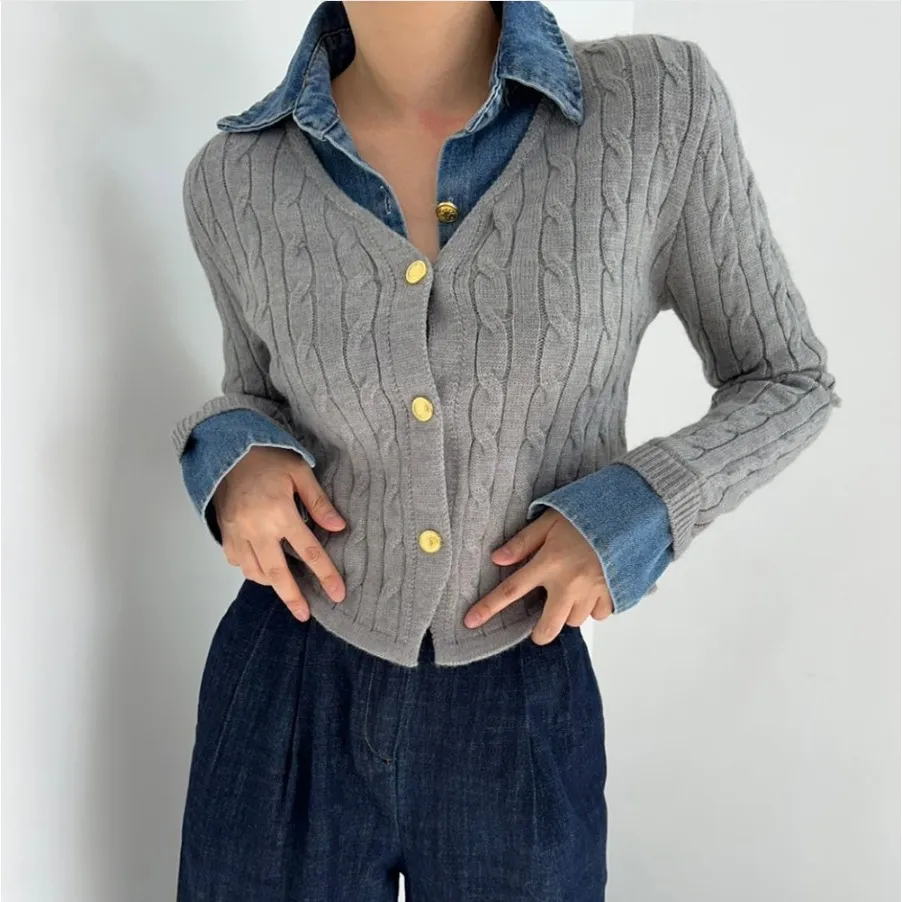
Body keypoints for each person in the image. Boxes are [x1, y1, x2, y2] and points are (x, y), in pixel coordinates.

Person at [171, 2, 841, 899]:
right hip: (285, 681)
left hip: (520, 689)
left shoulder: (654, 104)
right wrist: (232, 455)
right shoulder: (233, 177)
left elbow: (787, 378)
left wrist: (631, 513)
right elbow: (259, 397)